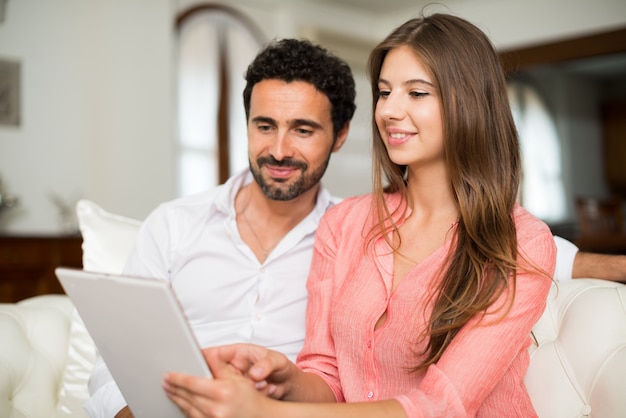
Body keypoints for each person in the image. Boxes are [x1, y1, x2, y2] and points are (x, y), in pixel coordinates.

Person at [162, 13, 557, 417]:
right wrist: (287, 380)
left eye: (416, 93)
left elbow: (442, 405)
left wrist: (265, 413)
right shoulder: (343, 224)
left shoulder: (522, 242)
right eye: (385, 93)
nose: (388, 111)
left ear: (469, 101)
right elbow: (328, 374)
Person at [84, 38, 357, 418]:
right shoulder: (173, 225)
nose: (279, 150)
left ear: (340, 135)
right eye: (265, 126)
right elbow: (112, 366)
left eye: (303, 130)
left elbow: (360, 377)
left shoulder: (356, 238)